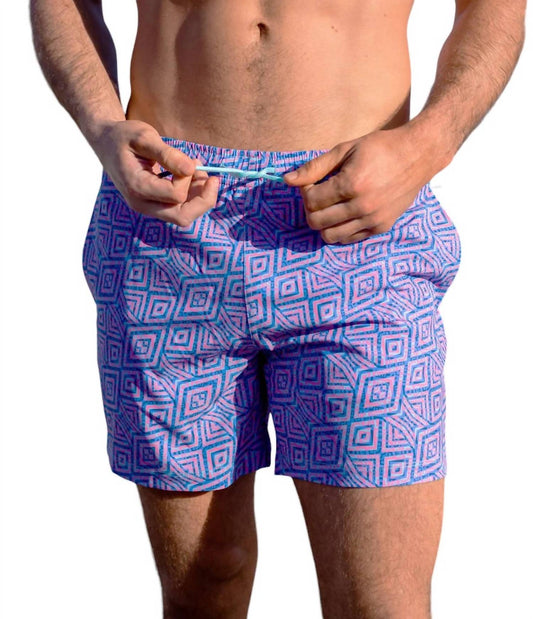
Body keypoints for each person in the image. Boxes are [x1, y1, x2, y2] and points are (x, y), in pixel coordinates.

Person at [30, 1, 526, 617]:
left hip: (359, 223)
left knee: (379, 603)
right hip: (170, 223)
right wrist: (103, 126)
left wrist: (428, 145)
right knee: (204, 585)